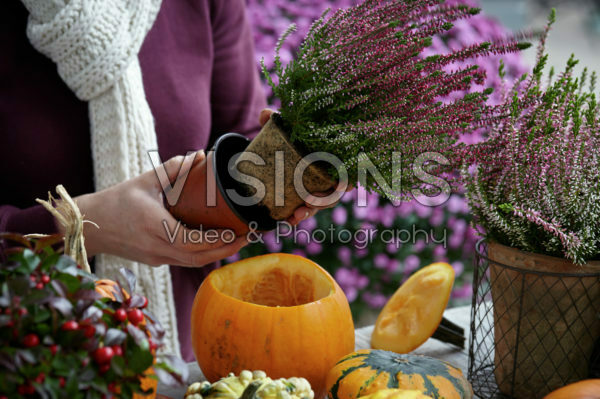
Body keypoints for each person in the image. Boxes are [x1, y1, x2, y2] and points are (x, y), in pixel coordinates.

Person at [0, 0, 321, 360]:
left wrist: (298, 166)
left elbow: (240, 140)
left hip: (180, 352)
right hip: (28, 358)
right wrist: (85, 226)